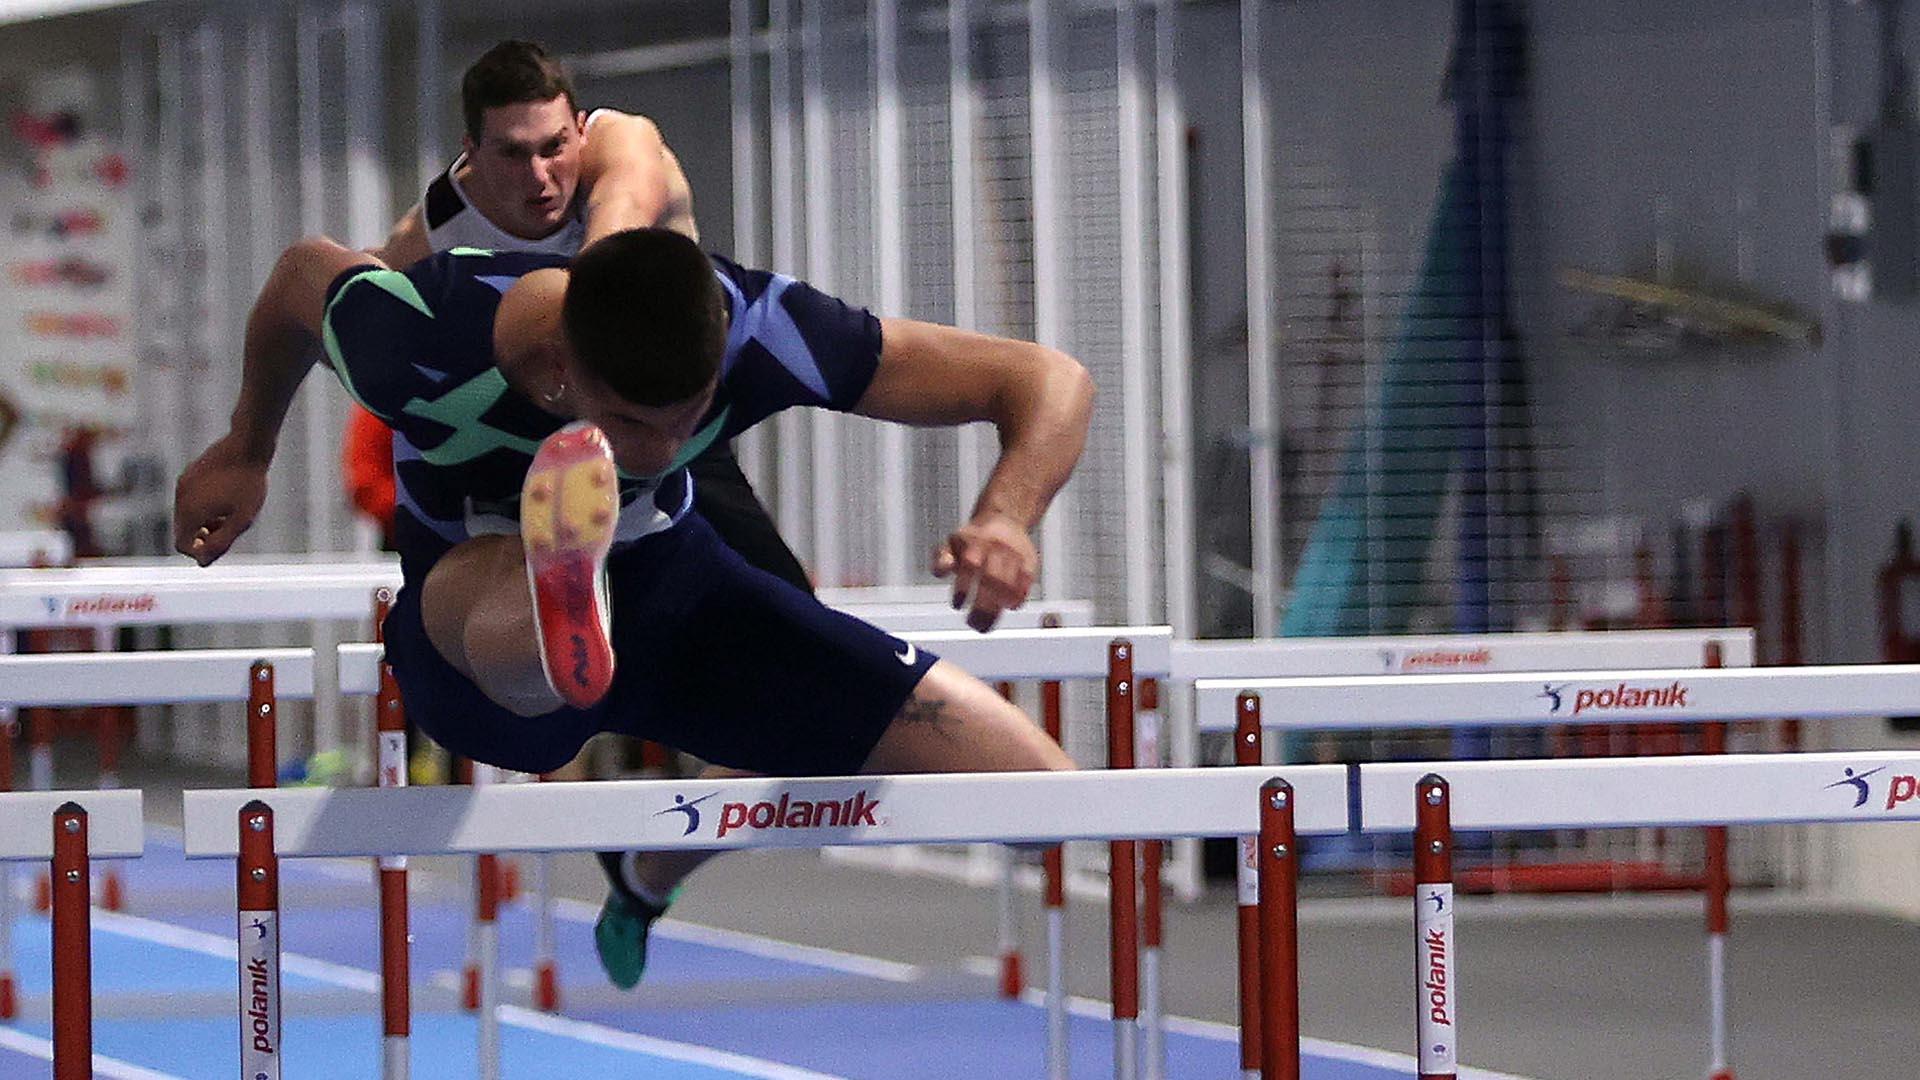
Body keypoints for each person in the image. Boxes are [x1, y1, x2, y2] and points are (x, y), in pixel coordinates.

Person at [174, 226, 1094, 988]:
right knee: (504, 626)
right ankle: (554, 592)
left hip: (684, 595)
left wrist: (1005, 516)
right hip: (476, 635)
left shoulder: (756, 326)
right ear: (558, 366)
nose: (658, 447)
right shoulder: (422, 333)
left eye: (686, 418)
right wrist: (246, 447)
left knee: (1050, 798)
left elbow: (1047, 378)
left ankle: (636, 823)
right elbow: (302, 275)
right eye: (628, 423)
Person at [371, 41, 808, 593]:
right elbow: (351, 312)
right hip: (542, 423)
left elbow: (613, 259)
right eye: (512, 153)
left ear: (580, 130)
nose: (539, 177)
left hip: (670, 410)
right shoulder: (430, 234)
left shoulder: (623, 144)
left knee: (779, 594)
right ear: (471, 152)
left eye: (554, 147)